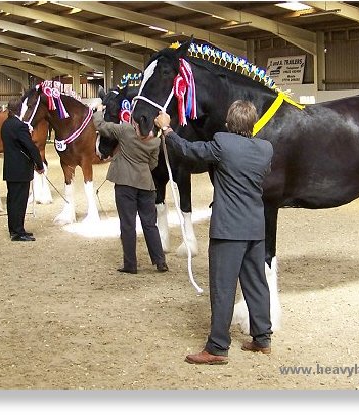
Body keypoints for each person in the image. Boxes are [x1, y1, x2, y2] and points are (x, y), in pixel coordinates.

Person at [154, 100, 274, 365]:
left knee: (223, 287)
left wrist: (167, 130)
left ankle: (218, 347)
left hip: (228, 229)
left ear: (229, 123)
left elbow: (187, 150)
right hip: (255, 226)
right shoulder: (266, 149)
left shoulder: (222, 143)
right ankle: (262, 337)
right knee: (256, 283)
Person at [93, 104, 168, 274]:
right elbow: (153, 164)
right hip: (146, 185)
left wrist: (98, 112)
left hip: (125, 184)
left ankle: (130, 264)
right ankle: (159, 261)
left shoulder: (125, 131)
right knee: (150, 224)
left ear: (135, 122)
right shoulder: (156, 141)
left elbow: (101, 126)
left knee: (128, 225)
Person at [0, 98, 45, 241]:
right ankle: (18, 232)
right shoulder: (20, 126)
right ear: (20, 109)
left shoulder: (6, 124)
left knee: (12, 200)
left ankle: (14, 228)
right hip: (21, 169)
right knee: (20, 201)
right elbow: (31, 147)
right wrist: (39, 164)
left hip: (10, 168)